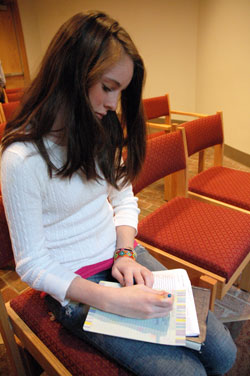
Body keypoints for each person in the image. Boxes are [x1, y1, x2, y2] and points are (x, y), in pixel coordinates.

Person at [0, 11, 236, 376]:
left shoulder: (98, 129)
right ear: (72, 74)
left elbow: (124, 199)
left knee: (222, 353)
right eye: (108, 87)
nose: (113, 104)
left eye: (120, 91)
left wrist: (125, 253)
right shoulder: (22, 158)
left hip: (122, 259)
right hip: (77, 287)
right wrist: (109, 297)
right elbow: (32, 264)